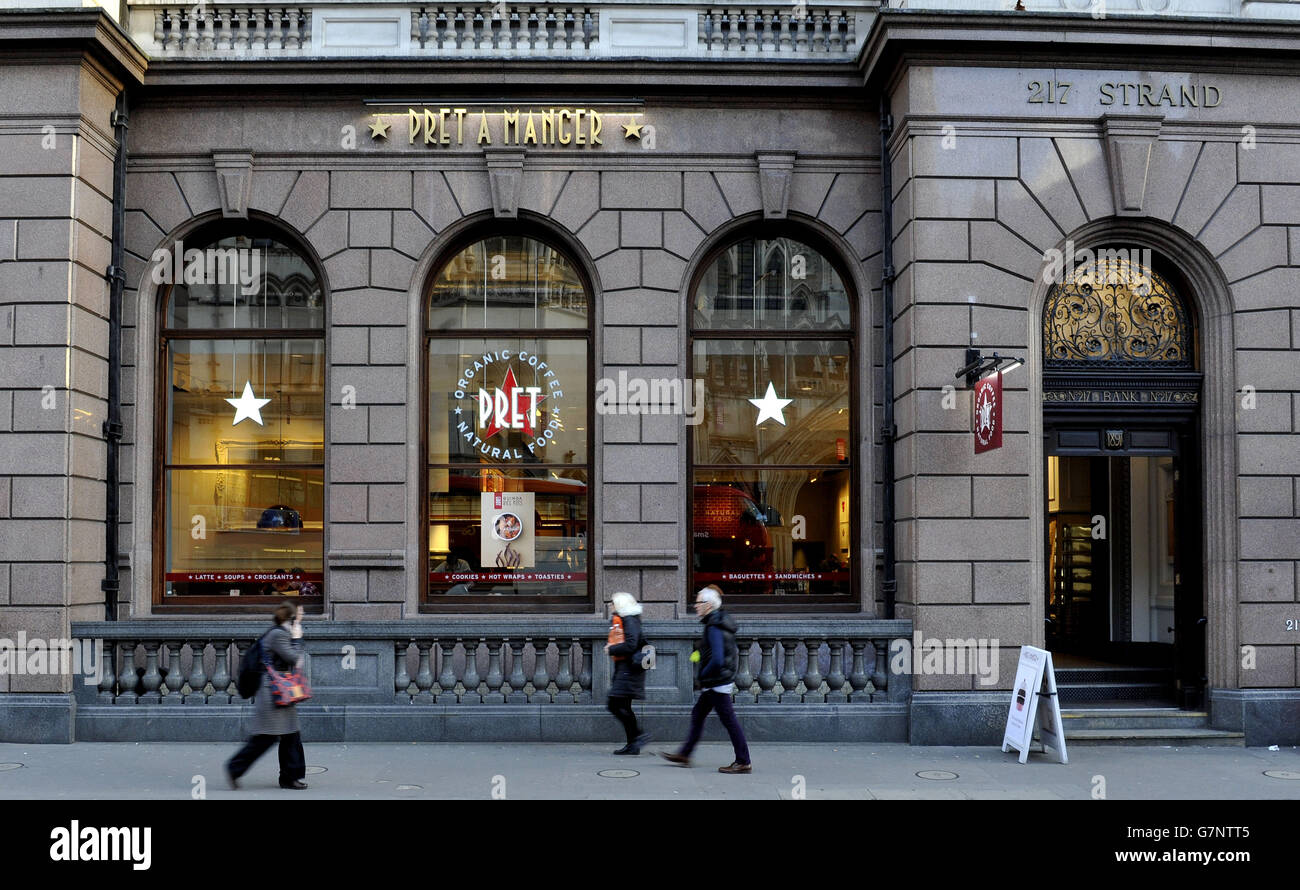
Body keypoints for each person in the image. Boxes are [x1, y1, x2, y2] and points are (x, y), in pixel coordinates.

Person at [659, 585, 752, 773]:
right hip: (716, 681)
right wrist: (700, 654)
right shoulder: (716, 622)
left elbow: (718, 658)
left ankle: (743, 761)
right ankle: (685, 754)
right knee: (699, 714)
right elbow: (715, 652)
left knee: (729, 720)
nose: (695, 606)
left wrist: (703, 674)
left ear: (708, 605)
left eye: (698, 602)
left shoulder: (714, 626)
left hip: (716, 681)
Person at [226, 601, 309, 790]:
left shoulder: (277, 632)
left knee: (290, 735)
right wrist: (297, 639)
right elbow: (295, 659)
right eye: (299, 616)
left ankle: (290, 777)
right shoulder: (278, 635)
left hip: (278, 689)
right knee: (266, 737)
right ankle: (234, 768)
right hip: (273, 692)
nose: (301, 618)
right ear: (291, 618)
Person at [604, 592, 651, 755]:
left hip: (629, 669)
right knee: (623, 706)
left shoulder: (629, 619)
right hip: (625, 667)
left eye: (613, 602)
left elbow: (631, 645)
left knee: (614, 704)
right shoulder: (625, 619)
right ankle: (633, 744)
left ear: (620, 604)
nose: (610, 605)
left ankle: (639, 735)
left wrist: (611, 649)